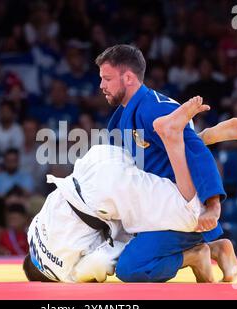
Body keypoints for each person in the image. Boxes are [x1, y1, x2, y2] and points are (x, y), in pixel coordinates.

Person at [23, 99, 237, 283]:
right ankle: (195, 139)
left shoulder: (64, 272)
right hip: (91, 166)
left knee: (131, 266)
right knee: (146, 166)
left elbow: (100, 263)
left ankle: (196, 254)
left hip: (106, 199)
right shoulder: (33, 232)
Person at [96, 44, 229, 282]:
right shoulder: (119, 120)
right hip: (148, 210)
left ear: (128, 78)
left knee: (130, 269)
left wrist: (213, 205)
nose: (101, 86)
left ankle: (196, 254)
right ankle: (215, 249)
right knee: (103, 254)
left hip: (177, 212)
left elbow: (194, 151)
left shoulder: (154, 107)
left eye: (107, 78)